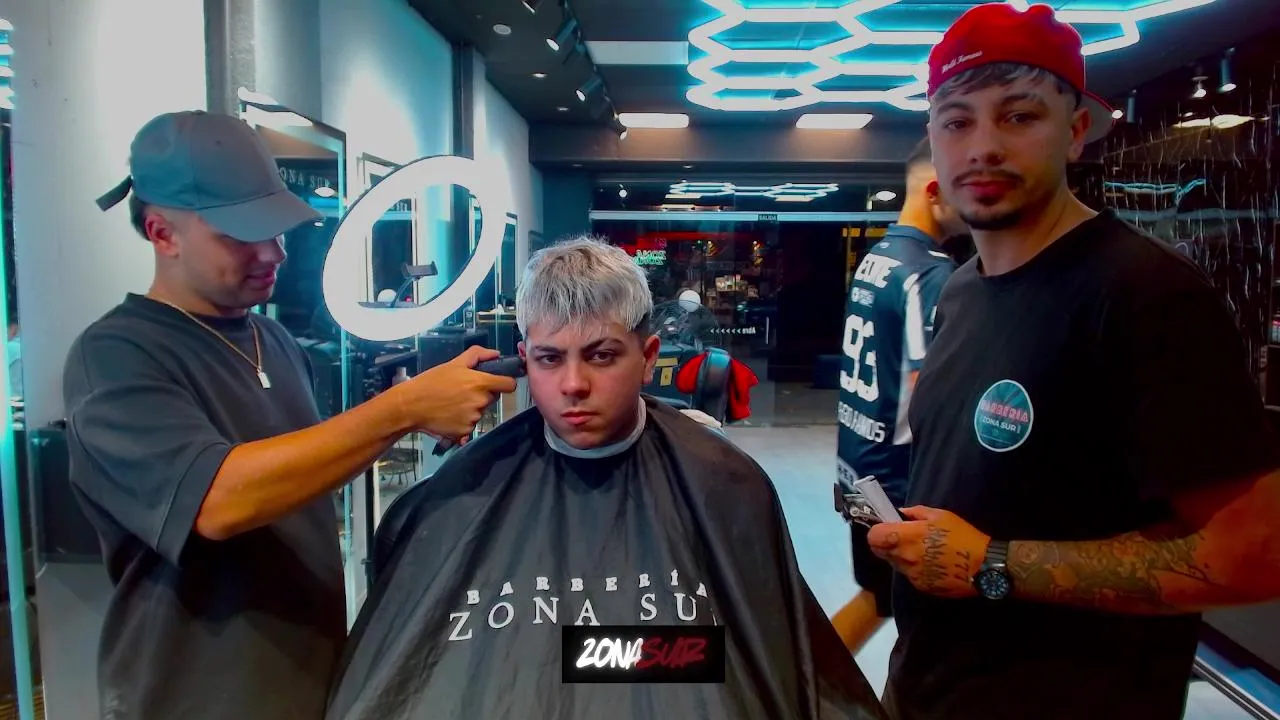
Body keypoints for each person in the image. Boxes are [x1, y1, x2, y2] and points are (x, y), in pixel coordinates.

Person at [864, 4, 1280, 719]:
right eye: (957, 122)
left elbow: (1253, 554)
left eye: (1019, 116)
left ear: (1077, 130)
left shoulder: (1145, 294)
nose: (983, 146)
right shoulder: (960, 290)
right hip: (930, 689)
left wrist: (991, 565)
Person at [65, 110, 516, 720]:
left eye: (276, 230)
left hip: (307, 685)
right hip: (194, 701)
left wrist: (415, 411)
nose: (272, 252)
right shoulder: (116, 356)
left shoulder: (273, 341)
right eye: (240, 235)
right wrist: (403, 409)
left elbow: (300, 474)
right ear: (162, 233)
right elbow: (217, 501)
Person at [326, 237, 887, 720]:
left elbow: (760, 661)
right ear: (523, 359)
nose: (573, 384)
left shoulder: (725, 484)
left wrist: (579, 657)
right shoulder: (462, 491)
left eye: (600, 356)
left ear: (648, 356)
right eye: (549, 359)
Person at [830, 138, 966, 653]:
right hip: (900, 485)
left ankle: (799, 684)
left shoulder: (878, 258)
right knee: (920, 618)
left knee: (881, 598)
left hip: (859, 471)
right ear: (934, 190)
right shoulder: (929, 273)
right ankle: (798, 685)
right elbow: (925, 389)